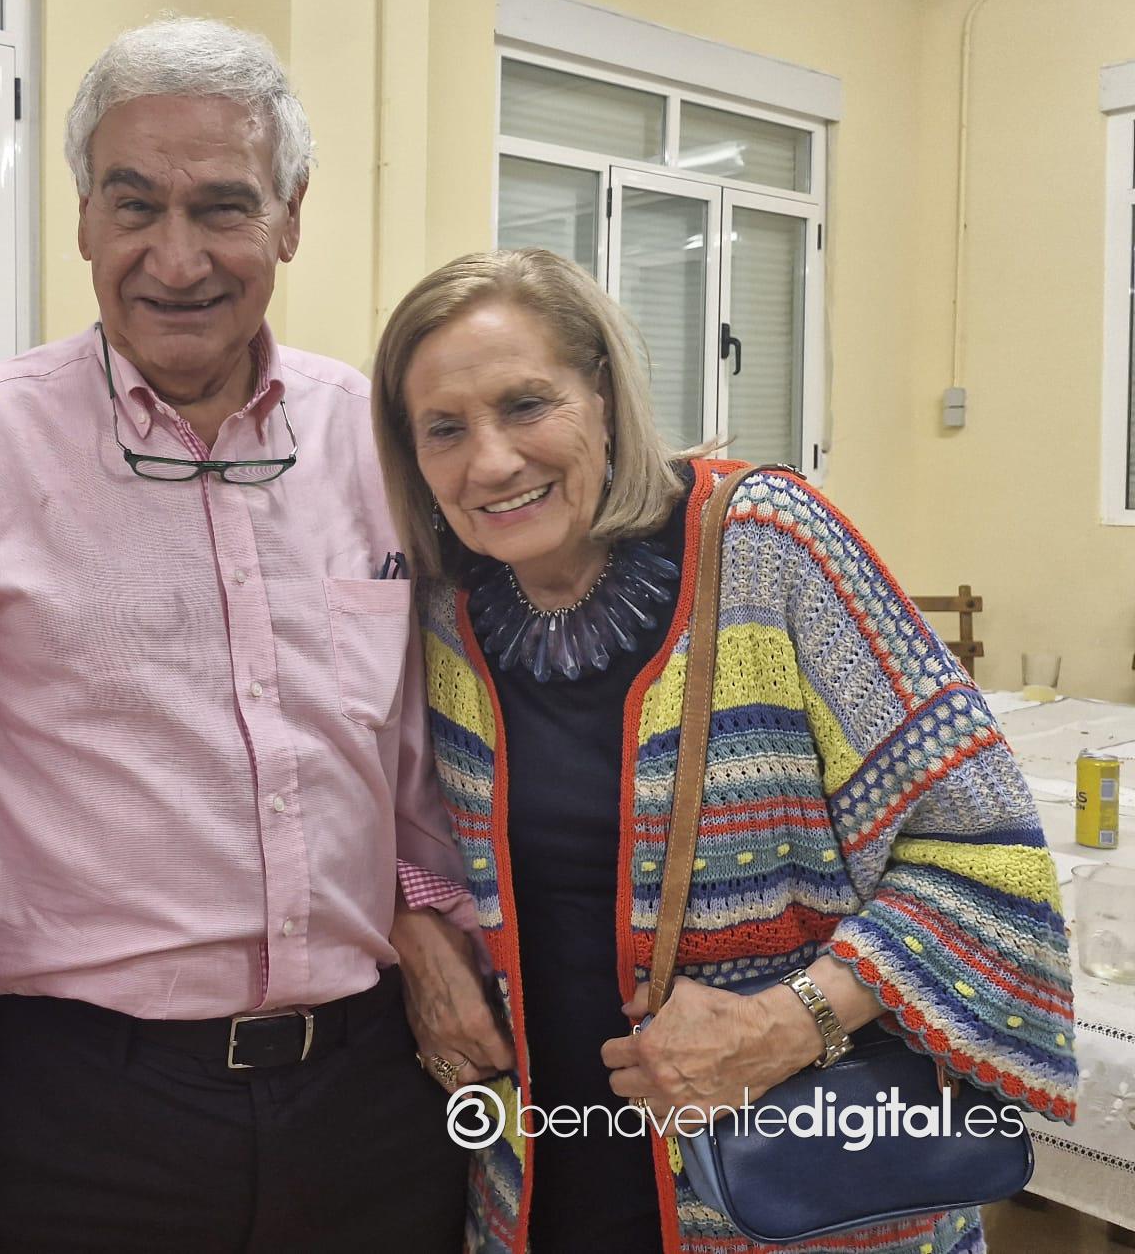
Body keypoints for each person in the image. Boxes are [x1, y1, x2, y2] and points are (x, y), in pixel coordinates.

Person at [0, 17, 504, 1252]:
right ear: (82, 220)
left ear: (289, 218)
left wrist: (426, 917)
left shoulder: (375, 436)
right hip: (83, 1110)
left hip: (371, 1088)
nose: (175, 258)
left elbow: (422, 756)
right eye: (133, 206)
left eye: (222, 207)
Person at [368, 246, 1080, 1254]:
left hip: (800, 1196)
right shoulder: (445, 609)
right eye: (444, 428)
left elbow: (985, 849)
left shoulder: (763, 545)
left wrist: (791, 1021)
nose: (489, 462)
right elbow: (381, 826)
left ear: (602, 395)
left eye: (526, 405)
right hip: (535, 1190)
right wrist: (414, 931)